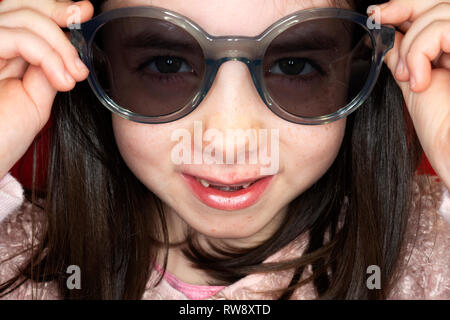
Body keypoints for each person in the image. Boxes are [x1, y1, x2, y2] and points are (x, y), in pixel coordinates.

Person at [0, 0, 448, 300]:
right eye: (167, 64)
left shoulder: (431, 249)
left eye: (294, 66)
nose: (230, 142)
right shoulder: (16, 258)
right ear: (94, 63)